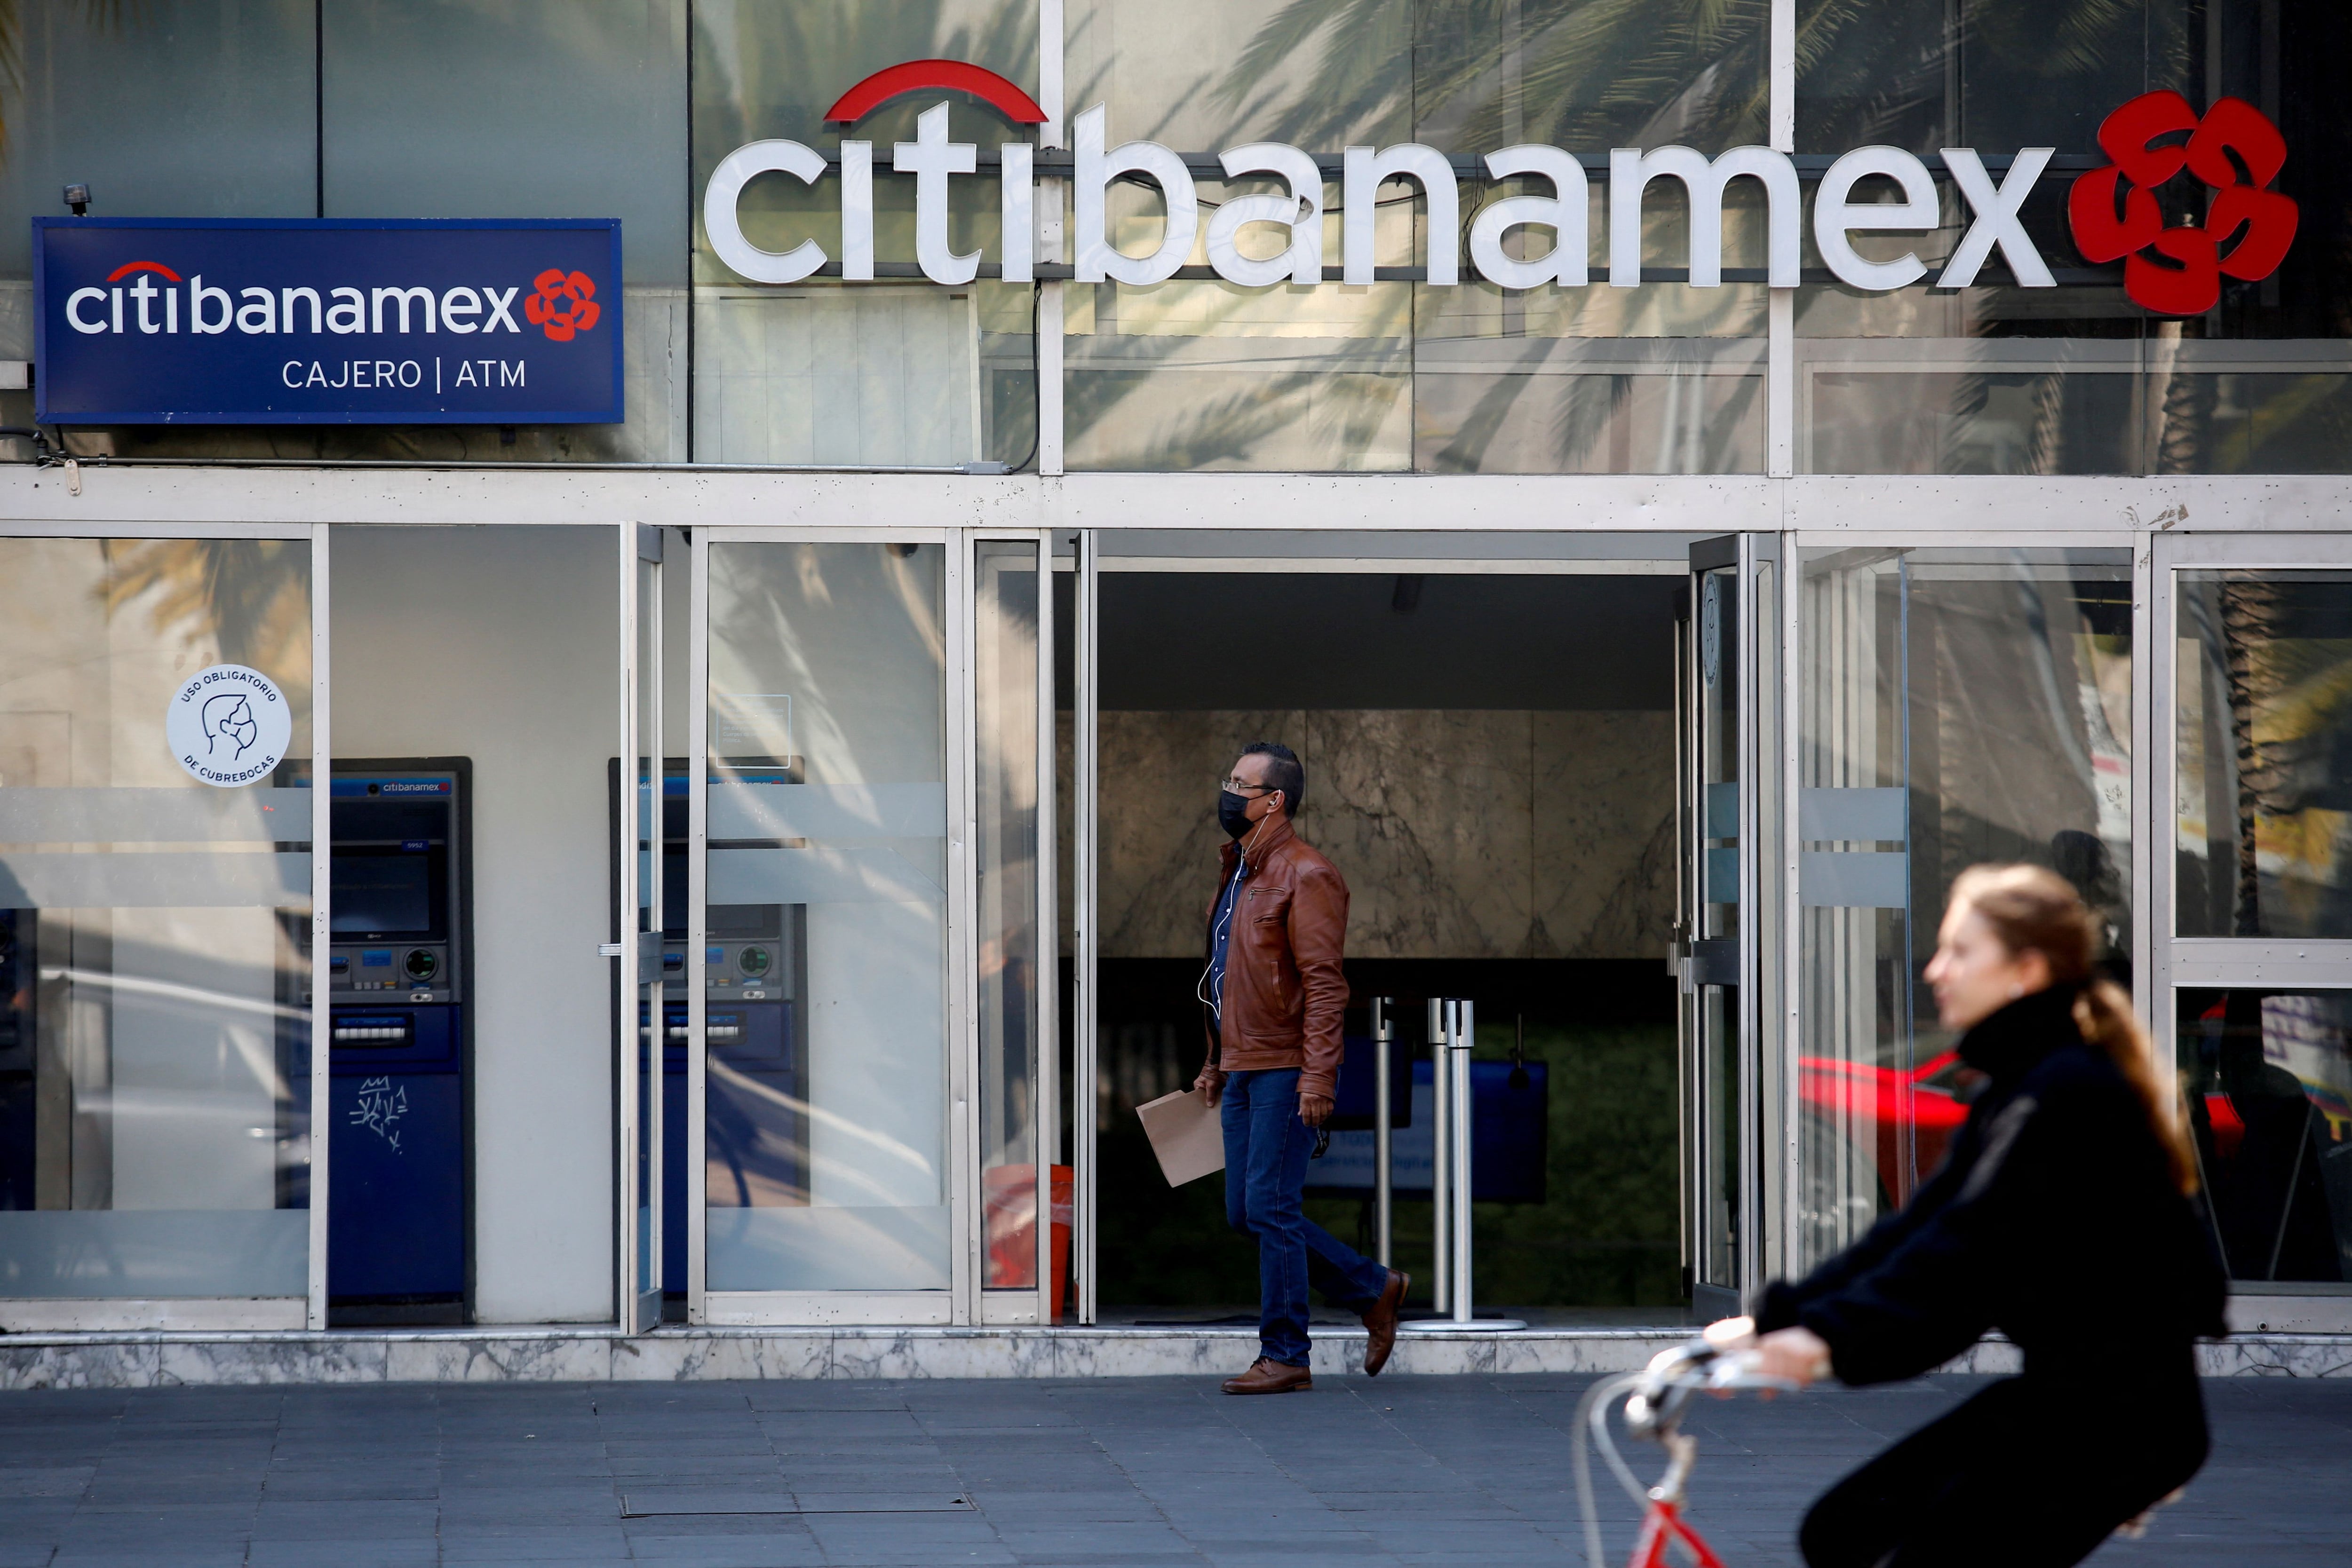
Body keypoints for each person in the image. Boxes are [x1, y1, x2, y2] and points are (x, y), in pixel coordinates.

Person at [1708, 863, 2226, 1568]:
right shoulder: (2020, 1087)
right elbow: (1912, 1230)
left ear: (2025, 970)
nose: (1934, 969)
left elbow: (1964, 1256)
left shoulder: (2063, 1095)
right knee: (1840, 1529)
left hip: (2122, 1419)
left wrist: (1824, 1340)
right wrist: (1780, 1316)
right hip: (2069, 1397)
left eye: (1959, 951)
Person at [1192, 742, 1408, 1394]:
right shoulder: (1238, 873)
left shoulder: (1306, 873)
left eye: (1240, 783)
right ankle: (1373, 1286)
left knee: (1272, 1205)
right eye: (1229, 779)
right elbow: (1223, 978)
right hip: (1242, 1065)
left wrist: (1319, 1076)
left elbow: (1324, 983)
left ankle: (1286, 1352)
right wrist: (1214, 1059)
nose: (1229, 792)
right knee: (1245, 1210)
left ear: (1274, 799)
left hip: (1286, 1066)